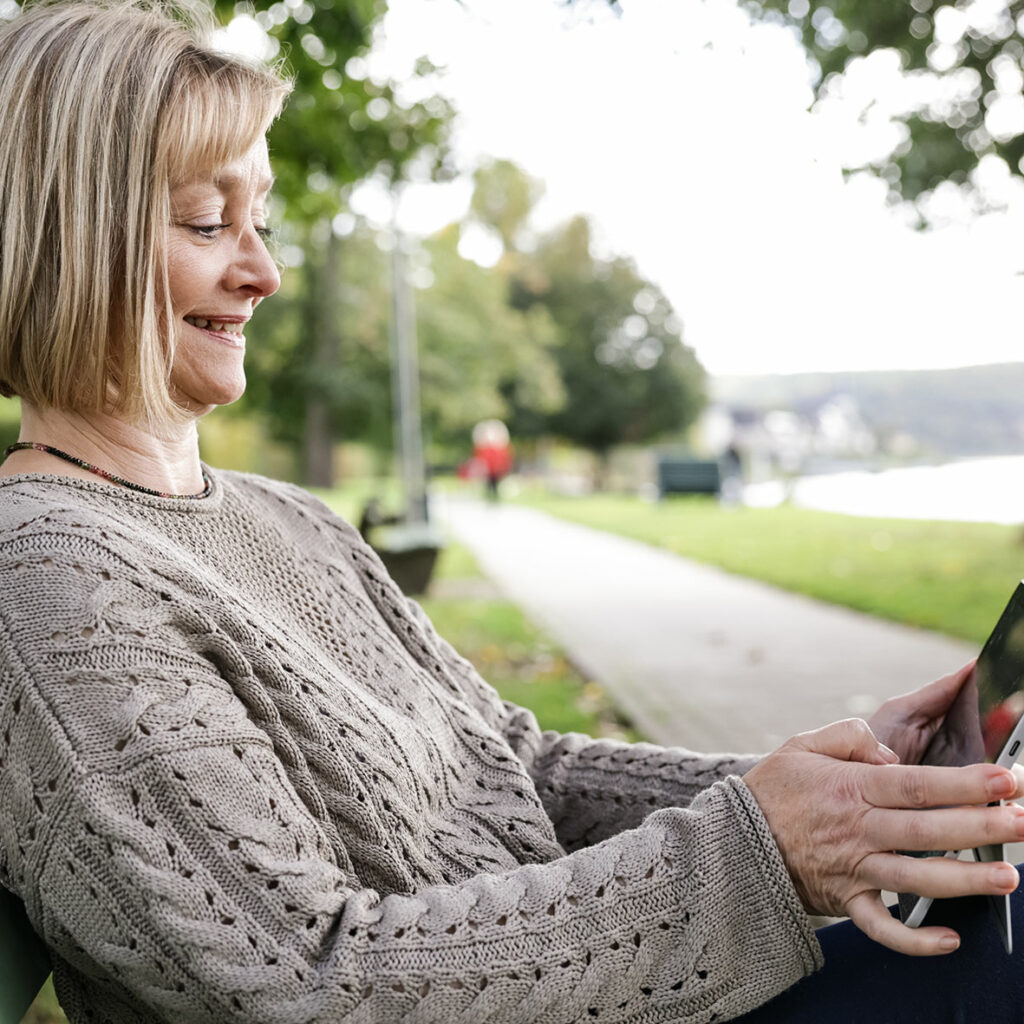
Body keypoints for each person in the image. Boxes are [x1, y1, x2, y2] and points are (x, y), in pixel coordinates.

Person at [0, 4, 1022, 1023]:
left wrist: (840, 791)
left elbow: (517, 767)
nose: (263, 272)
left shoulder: (290, 518)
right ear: (63, 238)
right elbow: (306, 980)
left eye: (259, 220)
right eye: (204, 222)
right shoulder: (48, 581)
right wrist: (761, 844)